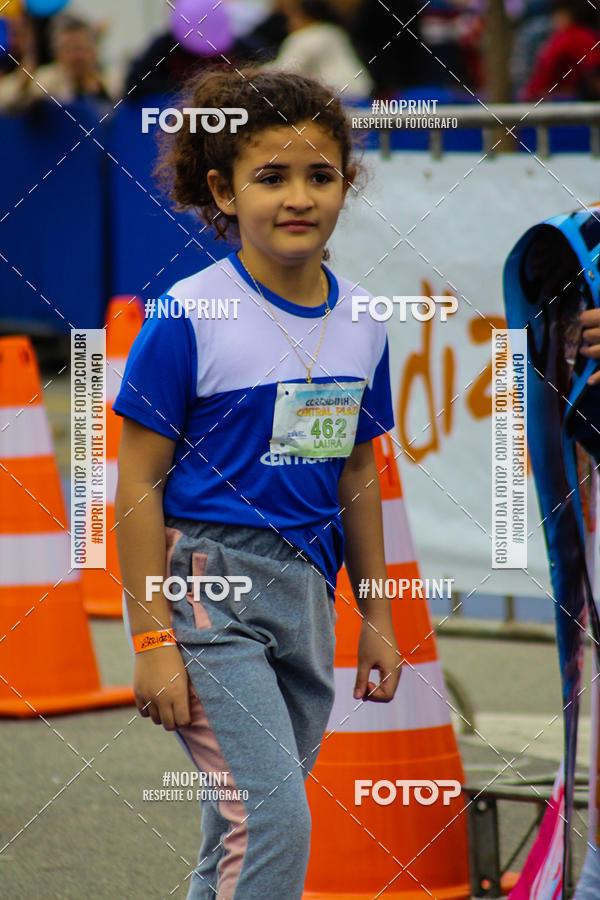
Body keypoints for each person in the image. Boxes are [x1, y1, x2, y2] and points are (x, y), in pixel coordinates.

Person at [113, 65, 401, 898]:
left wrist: (376, 619)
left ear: (346, 185)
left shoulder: (363, 322)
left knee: (238, 832)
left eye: (321, 175)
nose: (298, 197)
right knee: (273, 821)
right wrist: (151, 639)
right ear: (223, 191)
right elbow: (137, 483)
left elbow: (356, 469)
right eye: (270, 176)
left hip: (308, 594)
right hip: (208, 587)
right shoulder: (188, 316)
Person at [0, 13, 117, 112]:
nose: (76, 56)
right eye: (68, 49)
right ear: (57, 53)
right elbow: (6, 101)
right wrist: (22, 86)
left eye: (80, 48)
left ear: (94, 51)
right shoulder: (46, 81)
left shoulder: (110, 82)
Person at [263, 0, 374, 98]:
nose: (288, 25)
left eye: (291, 18)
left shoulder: (306, 36)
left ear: (305, 16)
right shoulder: (335, 32)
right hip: (362, 95)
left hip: (339, 98)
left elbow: (283, 71)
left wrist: (254, 74)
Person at [521, 0, 600, 101]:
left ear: (568, 14)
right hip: (552, 95)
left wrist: (532, 93)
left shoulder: (570, 38)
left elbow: (547, 71)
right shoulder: (589, 36)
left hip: (562, 98)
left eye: (557, 14)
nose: (554, 20)